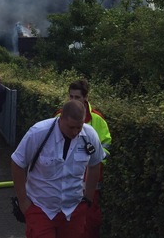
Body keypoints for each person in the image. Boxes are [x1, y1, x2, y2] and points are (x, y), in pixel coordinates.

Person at [11, 100, 105, 237]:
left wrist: (88, 199)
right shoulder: (39, 133)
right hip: (41, 208)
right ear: (60, 119)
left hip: (74, 210)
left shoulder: (89, 135)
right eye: (71, 127)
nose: (75, 132)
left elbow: (95, 164)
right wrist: (23, 201)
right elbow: (17, 163)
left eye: (79, 127)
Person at [65, 78, 112, 238]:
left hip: (90, 183)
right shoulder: (60, 116)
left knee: (90, 223)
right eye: (70, 97)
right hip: (66, 182)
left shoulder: (97, 120)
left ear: (85, 97)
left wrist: (91, 160)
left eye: (77, 97)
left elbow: (106, 147)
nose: (73, 101)